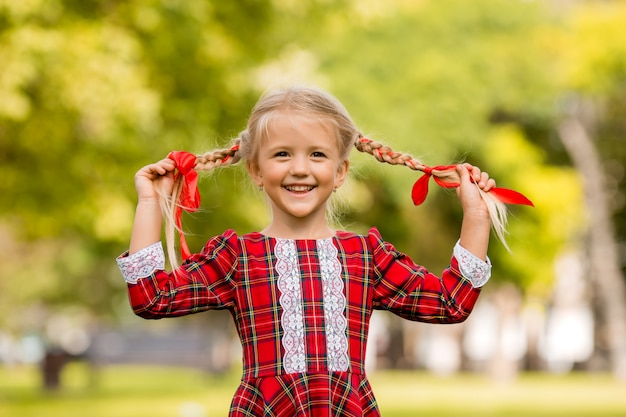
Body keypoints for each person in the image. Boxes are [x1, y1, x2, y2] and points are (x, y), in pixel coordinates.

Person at [116, 86, 530, 416]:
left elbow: (450, 303)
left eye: (317, 154)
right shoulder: (237, 256)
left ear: (340, 171)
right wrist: (151, 203)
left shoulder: (366, 255)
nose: (300, 168)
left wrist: (476, 217)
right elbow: (152, 298)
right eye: (282, 154)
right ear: (256, 170)